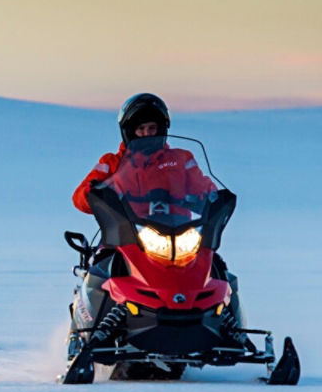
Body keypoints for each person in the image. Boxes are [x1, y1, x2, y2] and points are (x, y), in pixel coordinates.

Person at [71, 94, 245, 346]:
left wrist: (214, 197)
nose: (147, 134)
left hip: (179, 231)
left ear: (163, 130)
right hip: (126, 234)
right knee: (104, 267)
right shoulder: (112, 162)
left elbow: (202, 186)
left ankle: (233, 333)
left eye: (152, 129)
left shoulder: (181, 160)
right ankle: (90, 333)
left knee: (216, 267)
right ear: (130, 131)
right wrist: (95, 192)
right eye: (141, 129)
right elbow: (80, 197)